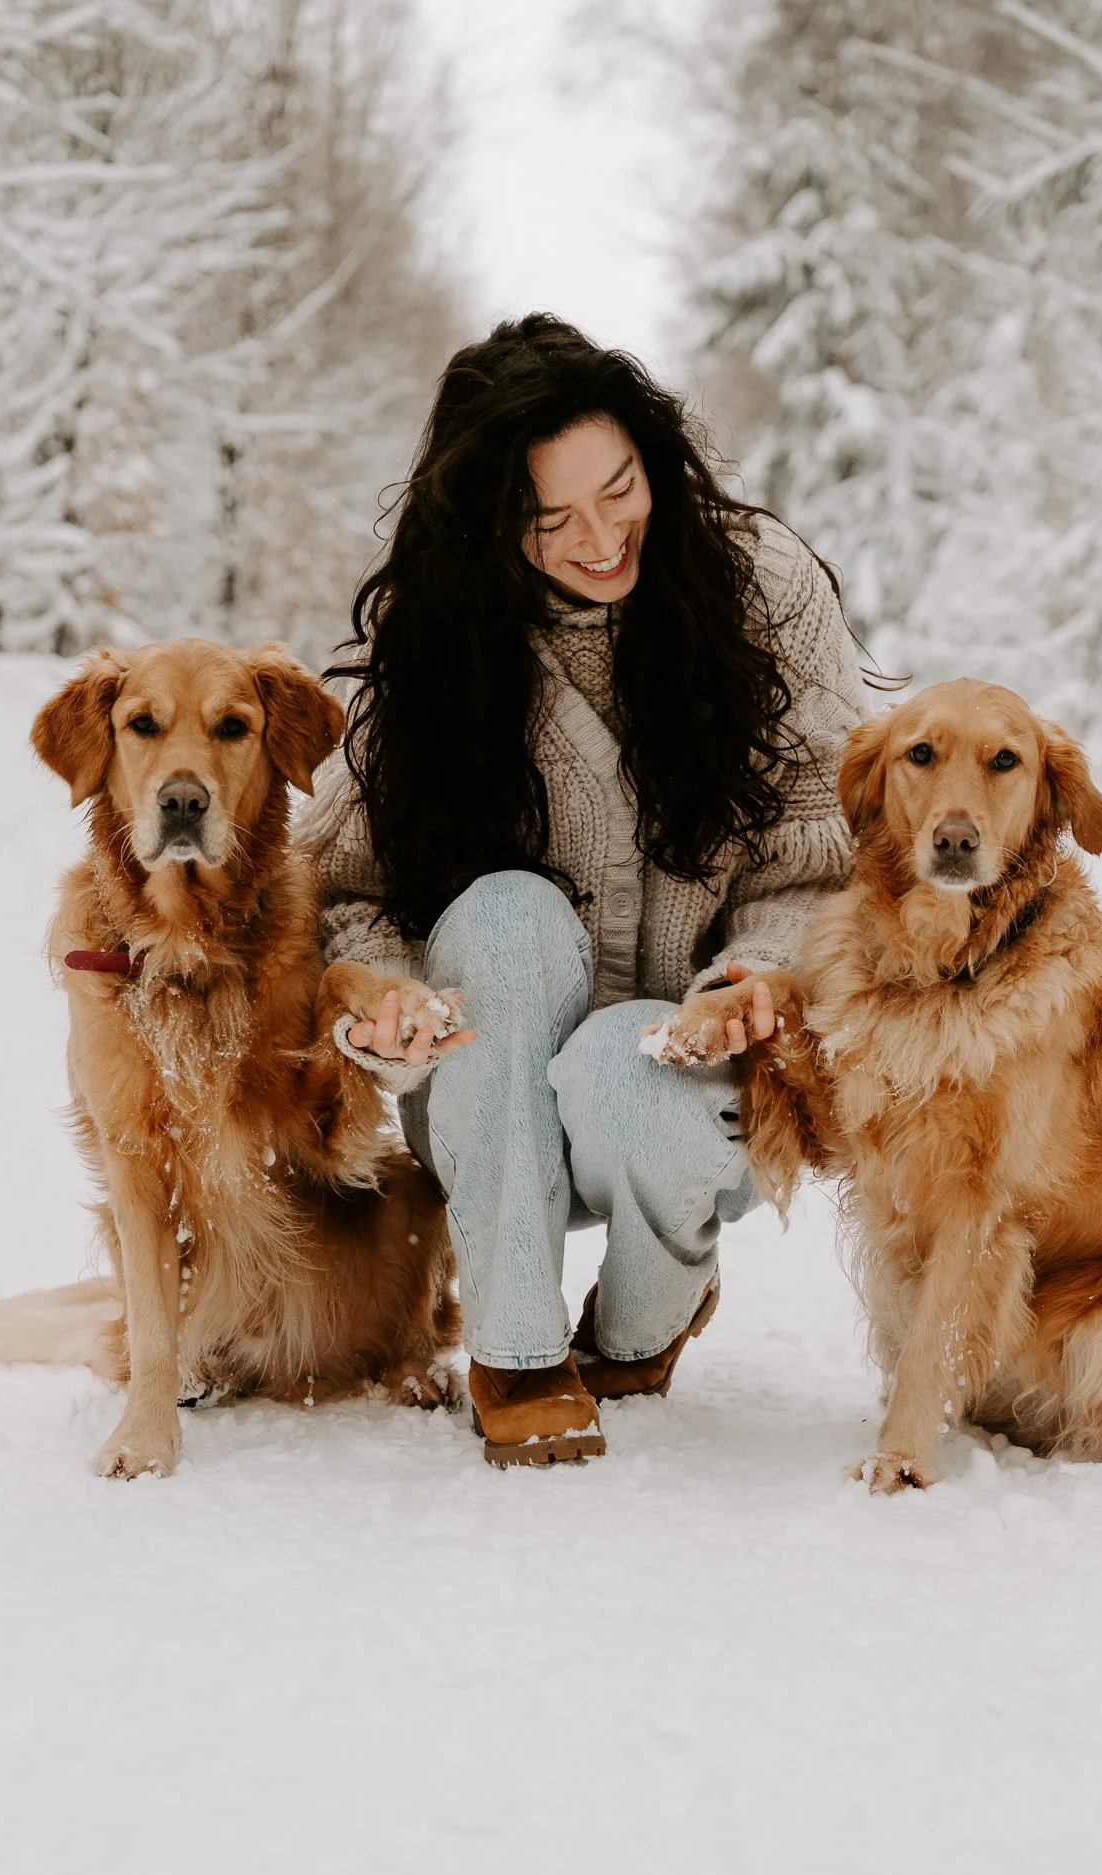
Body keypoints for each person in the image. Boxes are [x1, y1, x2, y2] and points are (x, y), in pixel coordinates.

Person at [297, 314, 870, 1466]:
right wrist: (386, 1000)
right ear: (490, 526)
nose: (602, 539)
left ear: (656, 457)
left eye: (620, 490)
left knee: (636, 1065)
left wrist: (756, 976)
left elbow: (825, 860)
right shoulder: (444, 638)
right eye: (550, 518)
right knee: (506, 913)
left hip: (676, 1073)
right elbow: (347, 892)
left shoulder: (765, 588)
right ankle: (513, 1343)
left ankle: (637, 1324)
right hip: (485, 1069)